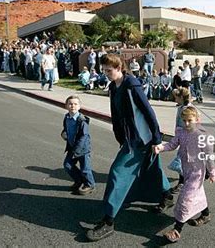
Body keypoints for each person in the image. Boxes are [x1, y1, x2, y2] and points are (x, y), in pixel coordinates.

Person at [86, 54, 173, 242]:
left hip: (140, 139)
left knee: (118, 172)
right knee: (151, 168)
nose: (106, 74)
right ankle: (166, 194)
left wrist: (157, 137)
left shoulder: (131, 85)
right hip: (130, 138)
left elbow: (148, 110)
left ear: (119, 68)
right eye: (104, 70)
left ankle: (108, 220)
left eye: (109, 70)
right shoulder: (113, 87)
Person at [153, 106, 215, 243]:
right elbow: (172, 144)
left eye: (190, 120)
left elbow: (209, 157)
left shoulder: (202, 136)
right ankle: (206, 214)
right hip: (186, 171)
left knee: (186, 198)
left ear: (197, 120)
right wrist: (161, 147)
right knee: (196, 194)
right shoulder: (181, 132)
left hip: (198, 173)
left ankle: (177, 230)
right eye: (184, 121)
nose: (187, 123)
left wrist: (212, 172)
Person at [61, 95, 95, 195]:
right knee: (68, 165)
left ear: (79, 106)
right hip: (72, 147)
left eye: (75, 104)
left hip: (83, 149)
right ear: (66, 106)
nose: (73, 106)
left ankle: (90, 184)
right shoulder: (67, 117)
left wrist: (77, 151)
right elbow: (66, 129)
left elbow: (84, 136)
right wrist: (63, 133)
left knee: (85, 168)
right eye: (70, 104)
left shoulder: (82, 120)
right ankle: (79, 180)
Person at [168, 87, 193, 194]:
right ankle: (184, 181)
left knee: (183, 162)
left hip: (187, 139)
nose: (175, 99)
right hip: (182, 138)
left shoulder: (186, 110)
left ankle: (183, 183)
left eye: (176, 97)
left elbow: (186, 125)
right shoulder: (182, 107)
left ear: (182, 98)